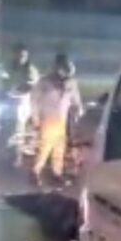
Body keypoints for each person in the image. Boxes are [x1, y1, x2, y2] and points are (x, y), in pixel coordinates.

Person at [30, 53, 84, 187]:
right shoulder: (45, 81)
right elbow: (34, 100)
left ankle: (57, 173)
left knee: (59, 149)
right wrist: (35, 117)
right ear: (56, 66)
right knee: (44, 148)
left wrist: (80, 114)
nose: (64, 70)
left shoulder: (70, 83)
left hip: (62, 120)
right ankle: (35, 172)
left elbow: (76, 101)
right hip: (48, 119)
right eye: (62, 66)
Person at [4, 44, 39, 165]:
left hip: (23, 103)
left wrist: (17, 92)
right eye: (18, 54)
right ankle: (9, 153)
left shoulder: (30, 70)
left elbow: (31, 87)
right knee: (7, 128)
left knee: (18, 129)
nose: (20, 57)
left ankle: (17, 157)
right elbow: (4, 81)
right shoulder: (10, 67)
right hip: (9, 101)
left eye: (23, 55)